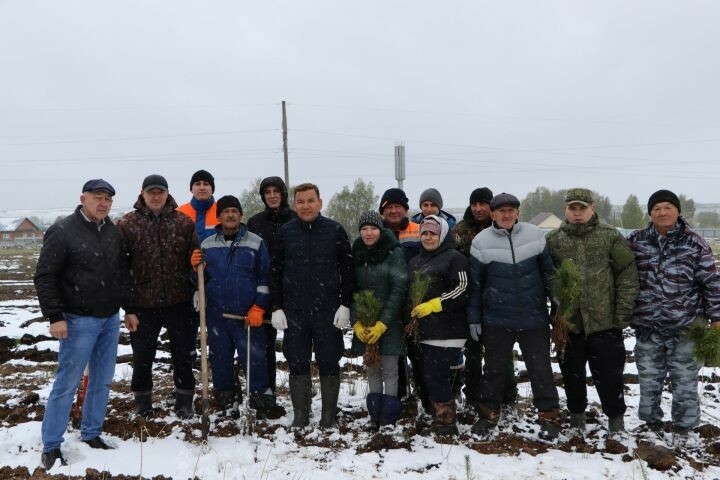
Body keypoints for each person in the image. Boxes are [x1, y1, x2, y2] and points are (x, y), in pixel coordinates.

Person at [34, 179, 134, 469]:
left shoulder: (113, 233)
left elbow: (121, 276)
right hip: (77, 320)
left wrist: (130, 309)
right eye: (97, 197)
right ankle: (51, 444)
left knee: (102, 380)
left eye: (108, 199)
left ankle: (92, 433)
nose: (103, 203)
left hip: (109, 319)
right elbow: (45, 276)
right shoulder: (63, 231)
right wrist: (55, 315)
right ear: (83, 199)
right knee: (67, 382)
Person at [627, 189, 720, 444]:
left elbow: (711, 282)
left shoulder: (694, 242)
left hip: (686, 327)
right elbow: (622, 278)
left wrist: (716, 317)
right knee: (649, 380)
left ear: (678, 211)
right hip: (648, 327)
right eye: (656, 208)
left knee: (685, 382)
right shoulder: (636, 241)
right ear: (650, 213)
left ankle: (684, 429)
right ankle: (651, 424)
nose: (662, 212)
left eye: (668, 207)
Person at [467, 193, 561, 440]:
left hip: (534, 317)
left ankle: (549, 417)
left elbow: (548, 273)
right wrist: (474, 318)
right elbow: (475, 286)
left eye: (511, 210)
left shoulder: (535, 235)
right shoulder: (481, 242)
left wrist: (557, 300)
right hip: (497, 319)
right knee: (494, 371)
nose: (506, 215)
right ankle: (487, 417)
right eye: (501, 211)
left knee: (540, 370)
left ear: (518, 212)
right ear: (493, 214)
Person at [546, 188, 639, 435]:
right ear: (565, 210)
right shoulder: (554, 240)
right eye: (573, 208)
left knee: (610, 378)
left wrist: (621, 315)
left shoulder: (610, 237)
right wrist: (557, 312)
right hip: (569, 324)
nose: (577, 213)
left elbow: (627, 275)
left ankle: (616, 423)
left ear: (592, 208)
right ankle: (577, 420)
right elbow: (546, 277)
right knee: (572, 376)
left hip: (604, 324)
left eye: (582, 208)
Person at [269, 183, 354, 428]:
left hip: (328, 310)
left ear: (320, 202)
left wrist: (345, 304)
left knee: (329, 360)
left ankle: (328, 416)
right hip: (295, 311)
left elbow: (347, 270)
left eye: (310, 201)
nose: (306, 206)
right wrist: (276, 306)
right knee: (297, 361)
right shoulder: (285, 233)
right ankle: (301, 415)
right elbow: (274, 272)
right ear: (294, 205)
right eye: (301, 201)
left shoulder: (334, 231)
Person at [117, 174, 199, 419]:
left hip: (179, 301)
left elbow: (195, 260)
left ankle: (185, 401)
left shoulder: (183, 222)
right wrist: (128, 305)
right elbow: (121, 267)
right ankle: (143, 403)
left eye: (160, 192)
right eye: (151, 192)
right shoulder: (127, 225)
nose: (155, 196)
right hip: (143, 303)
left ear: (167, 194)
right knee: (142, 356)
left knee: (183, 355)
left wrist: (195, 278)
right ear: (142, 194)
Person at [197, 195, 276, 416]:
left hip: (247, 315)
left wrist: (259, 306)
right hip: (217, 315)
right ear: (219, 217)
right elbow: (199, 281)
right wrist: (194, 268)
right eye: (225, 212)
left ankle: (260, 401)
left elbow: (265, 279)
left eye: (234, 211)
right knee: (220, 361)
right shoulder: (207, 244)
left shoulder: (256, 242)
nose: (230, 215)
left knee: (254, 360)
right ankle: (227, 401)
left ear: (240, 215)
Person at [452, 187, 518, 412]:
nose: (478, 209)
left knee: (502, 354)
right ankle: (472, 397)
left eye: (483, 204)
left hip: (500, 299)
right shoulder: (460, 231)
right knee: (472, 353)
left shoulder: (504, 229)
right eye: (474, 204)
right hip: (470, 300)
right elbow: (453, 263)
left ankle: (508, 398)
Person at [407, 215, 469, 435]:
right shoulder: (416, 261)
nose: (428, 237)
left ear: (442, 235)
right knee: (428, 374)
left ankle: (446, 423)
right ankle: (436, 412)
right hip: (422, 329)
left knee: (437, 375)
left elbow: (462, 288)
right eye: (424, 233)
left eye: (433, 233)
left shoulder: (454, 258)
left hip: (447, 328)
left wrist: (436, 304)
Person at [350, 210, 408, 429]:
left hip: (389, 321)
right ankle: (375, 414)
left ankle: (389, 417)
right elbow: (351, 289)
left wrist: (383, 322)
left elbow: (399, 288)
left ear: (380, 229)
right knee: (372, 366)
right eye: (364, 229)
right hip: (365, 319)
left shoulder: (393, 253)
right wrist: (357, 321)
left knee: (391, 368)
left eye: (373, 228)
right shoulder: (355, 254)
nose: (368, 233)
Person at [247, 176, 297, 394]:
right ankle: (266, 392)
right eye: (267, 192)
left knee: (295, 347)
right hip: (265, 289)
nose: (272, 196)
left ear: (283, 194)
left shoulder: (296, 219)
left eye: (276, 191)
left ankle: (299, 393)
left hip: (294, 289)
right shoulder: (255, 222)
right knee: (263, 346)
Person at [378, 187, 424, 406]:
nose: (394, 211)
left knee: (419, 353)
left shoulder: (419, 229)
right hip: (388, 302)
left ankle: (424, 395)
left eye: (398, 206)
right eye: (389, 207)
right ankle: (399, 396)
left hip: (416, 302)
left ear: (406, 209)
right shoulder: (375, 232)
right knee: (393, 354)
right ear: (382, 211)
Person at [176, 169, 219, 243]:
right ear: (191, 189)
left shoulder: (222, 211)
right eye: (197, 184)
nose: (202, 188)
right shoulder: (178, 213)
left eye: (206, 184)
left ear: (212, 189)